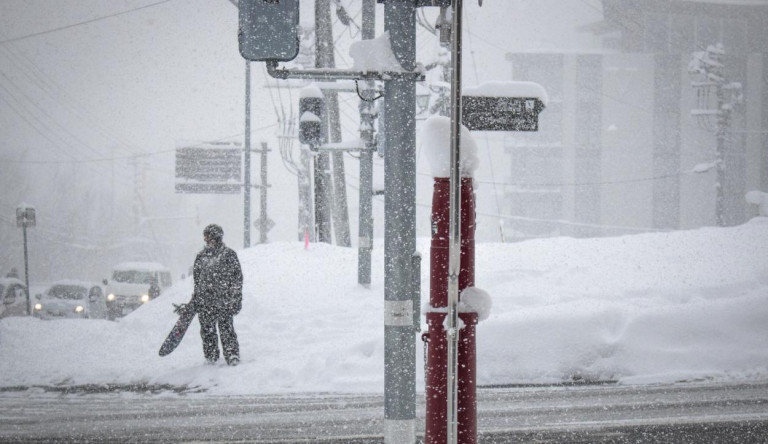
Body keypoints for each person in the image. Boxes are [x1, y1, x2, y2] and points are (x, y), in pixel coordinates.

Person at [189, 224, 243, 366]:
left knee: (226, 329)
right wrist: (197, 297)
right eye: (205, 237)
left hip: (223, 301)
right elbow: (197, 279)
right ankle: (211, 357)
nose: (206, 239)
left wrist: (236, 298)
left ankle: (232, 355)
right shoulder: (201, 257)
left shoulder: (228, 255)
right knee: (207, 331)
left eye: (208, 236)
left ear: (216, 237)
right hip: (206, 301)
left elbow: (237, 278)